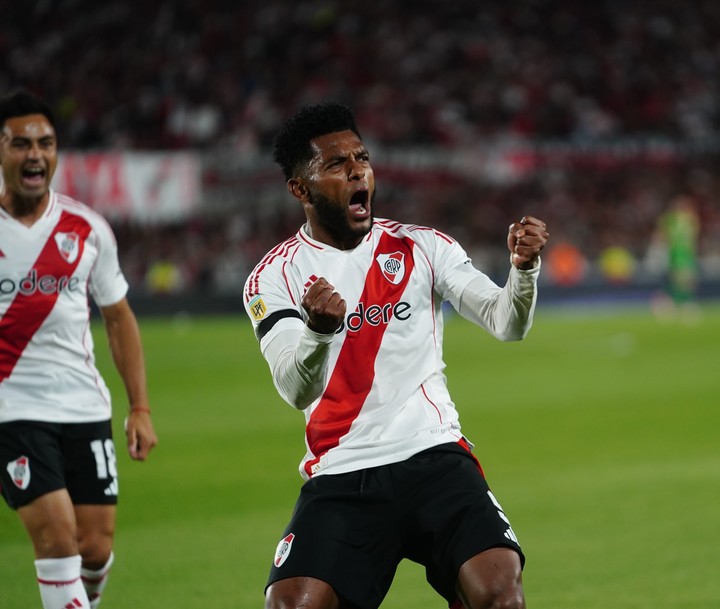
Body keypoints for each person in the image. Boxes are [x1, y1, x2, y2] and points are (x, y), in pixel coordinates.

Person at [243, 101, 549, 609]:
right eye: (336, 164)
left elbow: (506, 322)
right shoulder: (274, 277)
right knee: (290, 605)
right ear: (300, 189)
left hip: (433, 456)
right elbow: (295, 388)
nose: (357, 169)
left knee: (500, 591)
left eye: (361, 157)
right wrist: (318, 333)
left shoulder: (423, 247)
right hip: (344, 470)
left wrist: (523, 270)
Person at [0, 89, 158, 609]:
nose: (34, 155)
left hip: (84, 406)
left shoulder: (88, 229)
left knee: (94, 548)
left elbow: (118, 318)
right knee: (57, 540)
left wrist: (139, 407)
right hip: (12, 408)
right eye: (20, 144)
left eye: (45, 143)